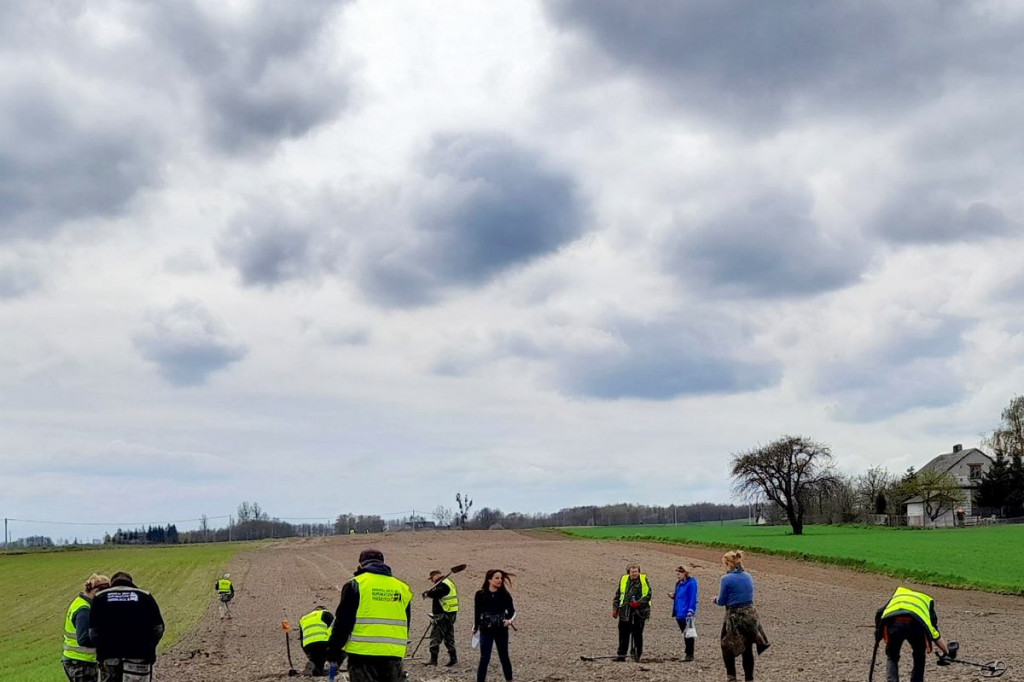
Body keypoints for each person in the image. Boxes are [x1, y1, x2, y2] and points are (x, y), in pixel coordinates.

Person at [326, 549, 412, 682]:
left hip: (362, 657)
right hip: (393, 655)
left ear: (360, 564)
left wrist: (333, 652)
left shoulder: (355, 585)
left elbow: (343, 623)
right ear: (383, 563)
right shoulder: (402, 588)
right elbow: (406, 623)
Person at [88, 571, 165, 682]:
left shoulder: (100, 598)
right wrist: (149, 646)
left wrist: (103, 648)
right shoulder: (145, 597)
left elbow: (93, 632)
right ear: (130, 582)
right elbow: (158, 628)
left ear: (112, 583)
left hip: (109, 658)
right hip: (140, 656)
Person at [713, 550, 768, 682]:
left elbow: (722, 601)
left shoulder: (726, 579)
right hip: (750, 615)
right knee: (747, 648)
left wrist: (715, 599)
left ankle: (731, 677)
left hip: (735, 615)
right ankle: (749, 678)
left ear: (728, 564)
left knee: (726, 645)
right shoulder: (748, 576)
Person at [876, 586, 950, 682]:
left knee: (892, 656)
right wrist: (945, 651)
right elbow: (934, 632)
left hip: (894, 623)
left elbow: (879, 613)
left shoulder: (899, 594)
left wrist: (877, 638)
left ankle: (892, 680)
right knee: (919, 655)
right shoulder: (927, 601)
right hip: (916, 624)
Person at [62, 573, 111, 682]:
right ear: (96, 591)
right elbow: (84, 639)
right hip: (80, 662)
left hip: (76, 661)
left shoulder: (81, 603)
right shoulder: (84, 610)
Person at [474, 569, 516, 682]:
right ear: (489, 579)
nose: (500, 580)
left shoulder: (504, 594)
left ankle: (509, 680)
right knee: (484, 658)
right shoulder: (480, 594)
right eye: (497, 578)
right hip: (485, 630)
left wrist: (509, 620)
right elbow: (477, 612)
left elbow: (512, 611)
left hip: (501, 630)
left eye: (501, 578)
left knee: (504, 657)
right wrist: (475, 626)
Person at [612, 563, 651, 662]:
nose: (634, 574)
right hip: (624, 612)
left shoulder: (643, 580)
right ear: (628, 572)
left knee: (637, 634)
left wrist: (638, 603)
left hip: (639, 613)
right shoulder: (624, 580)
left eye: (636, 571)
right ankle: (621, 655)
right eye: (632, 572)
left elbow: (648, 594)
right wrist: (615, 608)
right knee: (623, 635)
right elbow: (618, 595)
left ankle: (637, 655)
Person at [422, 569, 459, 667]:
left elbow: (438, 593)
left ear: (436, 576)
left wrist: (428, 593)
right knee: (449, 637)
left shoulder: (443, 584)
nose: (431, 581)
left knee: (435, 637)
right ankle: (453, 658)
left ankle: (433, 660)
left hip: (443, 615)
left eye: (432, 578)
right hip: (450, 614)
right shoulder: (448, 583)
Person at [671, 565, 698, 662]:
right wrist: (674, 596)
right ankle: (688, 653)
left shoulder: (691, 583)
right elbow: (680, 595)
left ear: (685, 573)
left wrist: (691, 610)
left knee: (688, 634)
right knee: (685, 633)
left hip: (686, 612)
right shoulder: (679, 583)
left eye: (680, 573)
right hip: (679, 611)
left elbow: (692, 597)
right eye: (677, 573)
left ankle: (689, 654)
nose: (678, 575)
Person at [299, 605, 335, 677]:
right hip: (323, 643)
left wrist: (308, 653)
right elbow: (337, 628)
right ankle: (330, 668)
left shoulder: (303, 619)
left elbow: (301, 639)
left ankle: (313, 664)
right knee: (327, 656)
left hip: (308, 646)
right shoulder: (325, 613)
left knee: (316, 659)